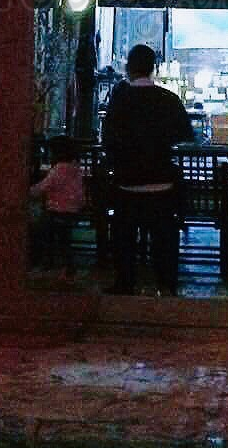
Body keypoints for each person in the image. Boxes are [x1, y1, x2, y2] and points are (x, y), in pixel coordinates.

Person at [101, 44, 194, 295]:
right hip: (162, 182)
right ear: (154, 68)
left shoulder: (119, 101)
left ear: (129, 68)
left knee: (124, 238)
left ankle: (125, 282)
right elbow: (185, 135)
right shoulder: (169, 100)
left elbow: (108, 140)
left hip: (127, 183)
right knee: (164, 238)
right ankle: (166, 284)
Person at [28, 135, 85, 277]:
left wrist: (26, 190)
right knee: (63, 238)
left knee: (39, 229)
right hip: (73, 210)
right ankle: (64, 265)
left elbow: (42, 188)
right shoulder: (75, 168)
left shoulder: (59, 169)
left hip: (58, 209)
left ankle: (43, 261)